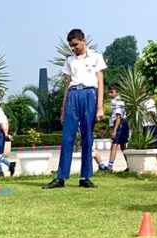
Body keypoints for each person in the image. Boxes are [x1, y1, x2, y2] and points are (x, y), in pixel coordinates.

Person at [43, 29, 106, 189]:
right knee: (67, 137)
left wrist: (100, 107)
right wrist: (63, 109)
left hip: (89, 95)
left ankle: (85, 177)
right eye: (71, 46)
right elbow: (67, 83)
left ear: (83, 41)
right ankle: (61, 177)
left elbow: (100, 83)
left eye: (75, 45)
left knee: (87, 137)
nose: (73, 48)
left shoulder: (96, 57)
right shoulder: (70, 60)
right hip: (73, 95)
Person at [105, 84, 129, 171]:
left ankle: (110, 167)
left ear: (117, 92)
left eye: (112, 92)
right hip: (118, 124)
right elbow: (112, 117)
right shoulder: (114, 101)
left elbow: (118, 117)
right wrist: (107, 130)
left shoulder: (119, 101)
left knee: (114, 145)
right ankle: (129, 165)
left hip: (120, 124)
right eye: (109, 92)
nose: (110, 94)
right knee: (123, 146)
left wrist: (114, 131)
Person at [142, 97, 157, 171]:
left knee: (155, 146)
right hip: (151, 126)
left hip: (146, 126)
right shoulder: (149, 101)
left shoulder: (141, 101)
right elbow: (152, 113)